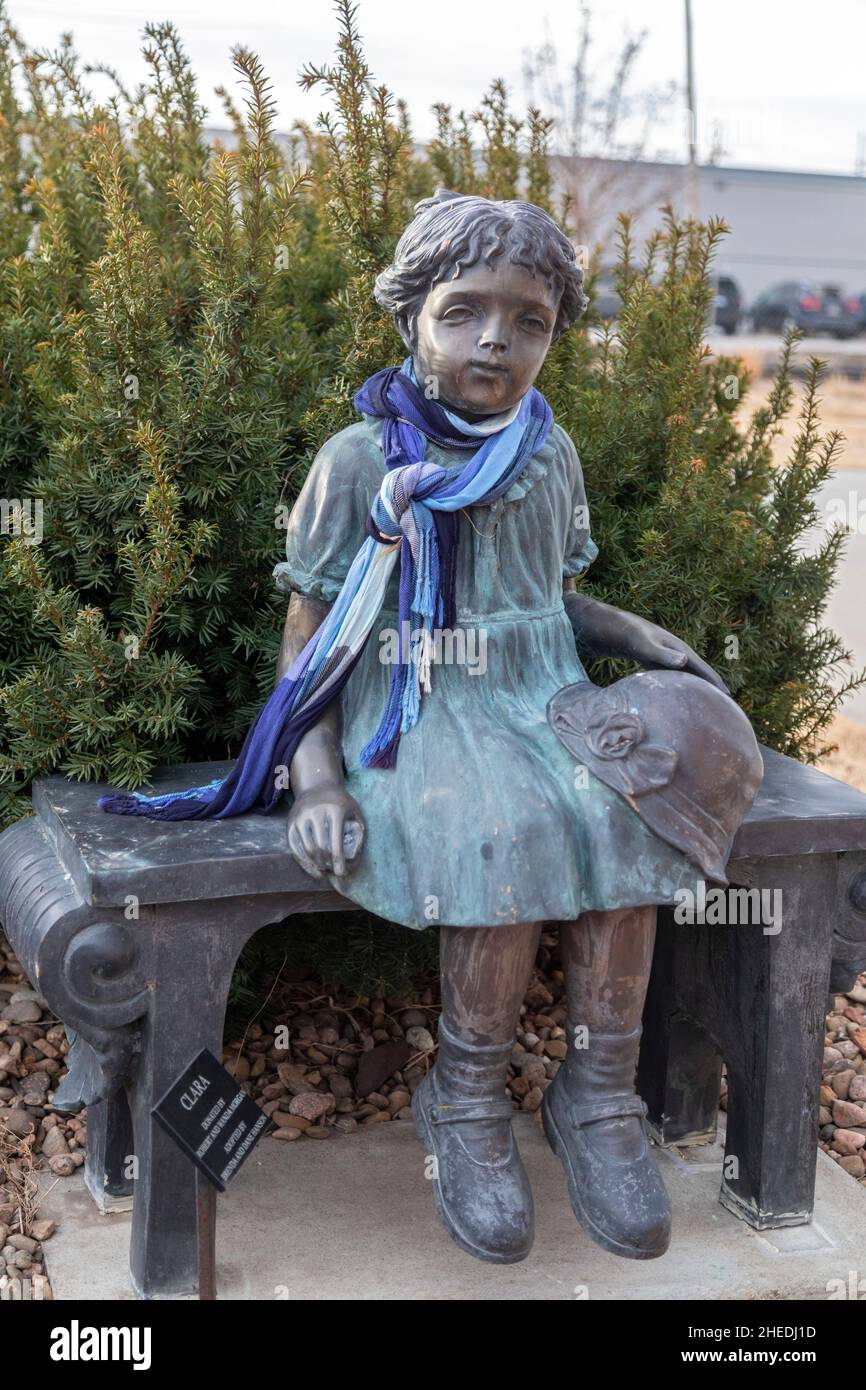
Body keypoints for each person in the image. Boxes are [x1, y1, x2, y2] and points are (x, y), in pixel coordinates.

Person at [270, 190, 760, 1265]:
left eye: (527, 319)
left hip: (545, 693)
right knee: (504, 829)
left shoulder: (549, 451)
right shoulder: (361, 460)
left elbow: (548, 599)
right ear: (413, 318)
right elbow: (309, 635)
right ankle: (466, 1092)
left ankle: (594, 1094)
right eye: (464, 311)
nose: (494, 339)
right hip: (416, 708)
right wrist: (314, 780)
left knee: (632, 814)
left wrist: (640, 636)